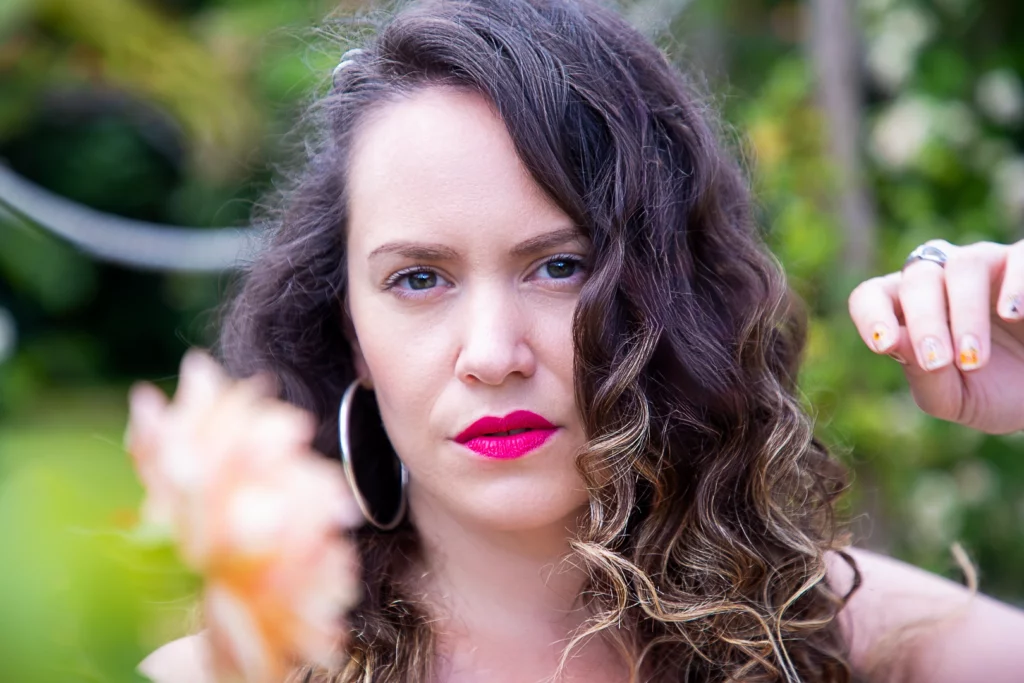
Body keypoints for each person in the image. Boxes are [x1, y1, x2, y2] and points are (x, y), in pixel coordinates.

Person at [137, 0, 1024, 681]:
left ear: (666, 290)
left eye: (557, 266)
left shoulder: (845, 634)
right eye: (419, 278)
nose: (492, 352)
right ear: (350, 330)